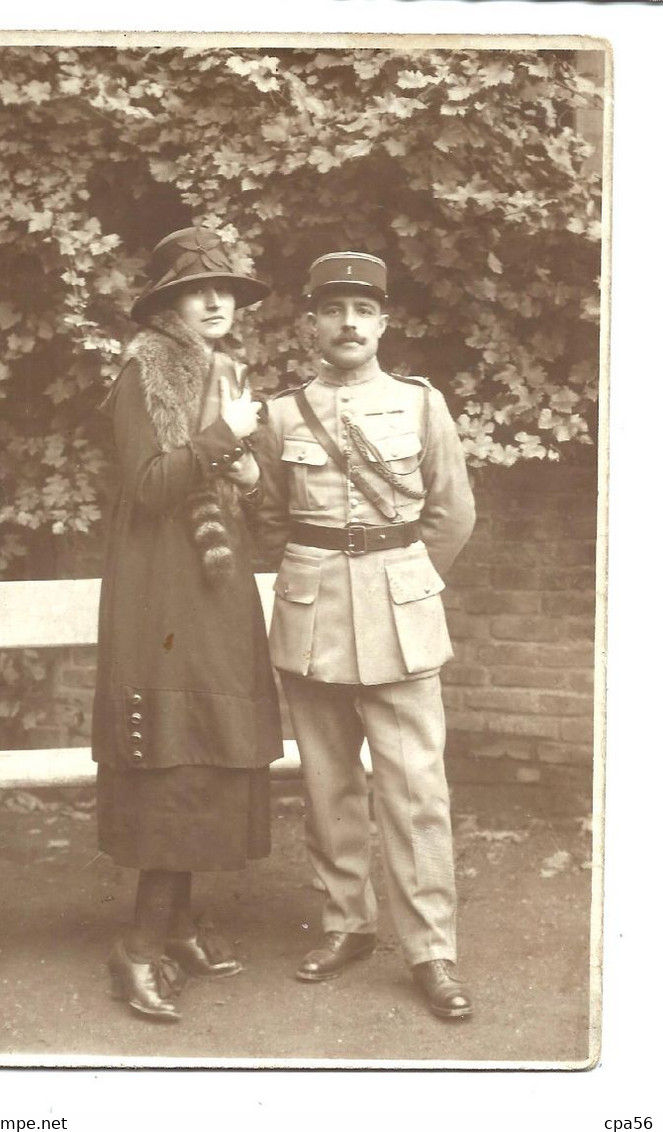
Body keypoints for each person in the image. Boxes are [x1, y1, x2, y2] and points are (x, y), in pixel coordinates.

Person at [255, 251, 476, 1019]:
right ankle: (346, 925)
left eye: (363, 311)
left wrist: (404, 580)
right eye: (333, 310)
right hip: (312, 616)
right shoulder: (282, 414)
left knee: (416, 792)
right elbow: (274, 519)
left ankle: (431, 952)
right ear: (310, 322)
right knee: (327, 787)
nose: (348, 324)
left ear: (383, 322)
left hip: (400, 614)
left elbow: (452, 512)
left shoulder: (420, 405)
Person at [92, 226, 283, 1023]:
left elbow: (258, 502)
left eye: (226, 289)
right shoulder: (143, 371)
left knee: (206, 749)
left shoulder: (227, 373)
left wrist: (247, 467)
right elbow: (146, 487)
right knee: (170, 757)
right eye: (196, 290)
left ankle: (173, 928)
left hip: (216, 591)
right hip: (159, 592)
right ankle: (135, 945)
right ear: (167, 304)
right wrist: (221, 439)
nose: (216, 301)